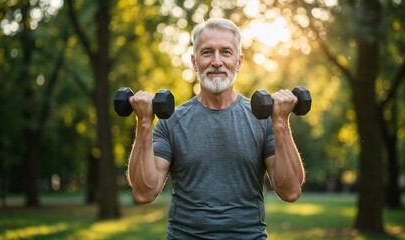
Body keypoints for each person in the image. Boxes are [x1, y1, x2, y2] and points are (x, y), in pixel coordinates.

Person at [127, 18, 305, 240]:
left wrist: (280, 123)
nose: (217, 61)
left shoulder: (262, 120)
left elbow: (290, 191)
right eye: (207, 52)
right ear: (194, 62)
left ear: (238, 62)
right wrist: (144, 122)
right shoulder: (172, 121)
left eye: (226, 52)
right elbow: (144, 192)